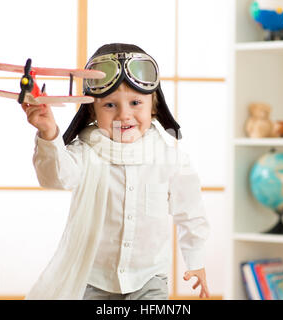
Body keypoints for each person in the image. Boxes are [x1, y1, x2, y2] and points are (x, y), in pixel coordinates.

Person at [22, 43, 210, 300]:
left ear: (153, 106)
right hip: (94, 278)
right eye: (110, 105)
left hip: (149, 278)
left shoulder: (170, 159)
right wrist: (49, 133)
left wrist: (195, 259)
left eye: (135, 102)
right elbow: (56, 177)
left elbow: (190, 212)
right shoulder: (85, 153)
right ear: (92, 111)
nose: (124, 115)